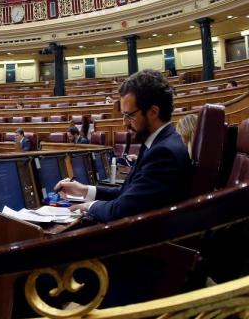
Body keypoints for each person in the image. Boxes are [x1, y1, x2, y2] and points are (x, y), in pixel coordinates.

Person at [55, 69, 192, 223]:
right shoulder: (158, 143)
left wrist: (88, 206)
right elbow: (127, 194)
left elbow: (121, 211)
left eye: (129, 115)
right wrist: (84, 190)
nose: (124, 122)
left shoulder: (164, 153)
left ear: (153, 112)